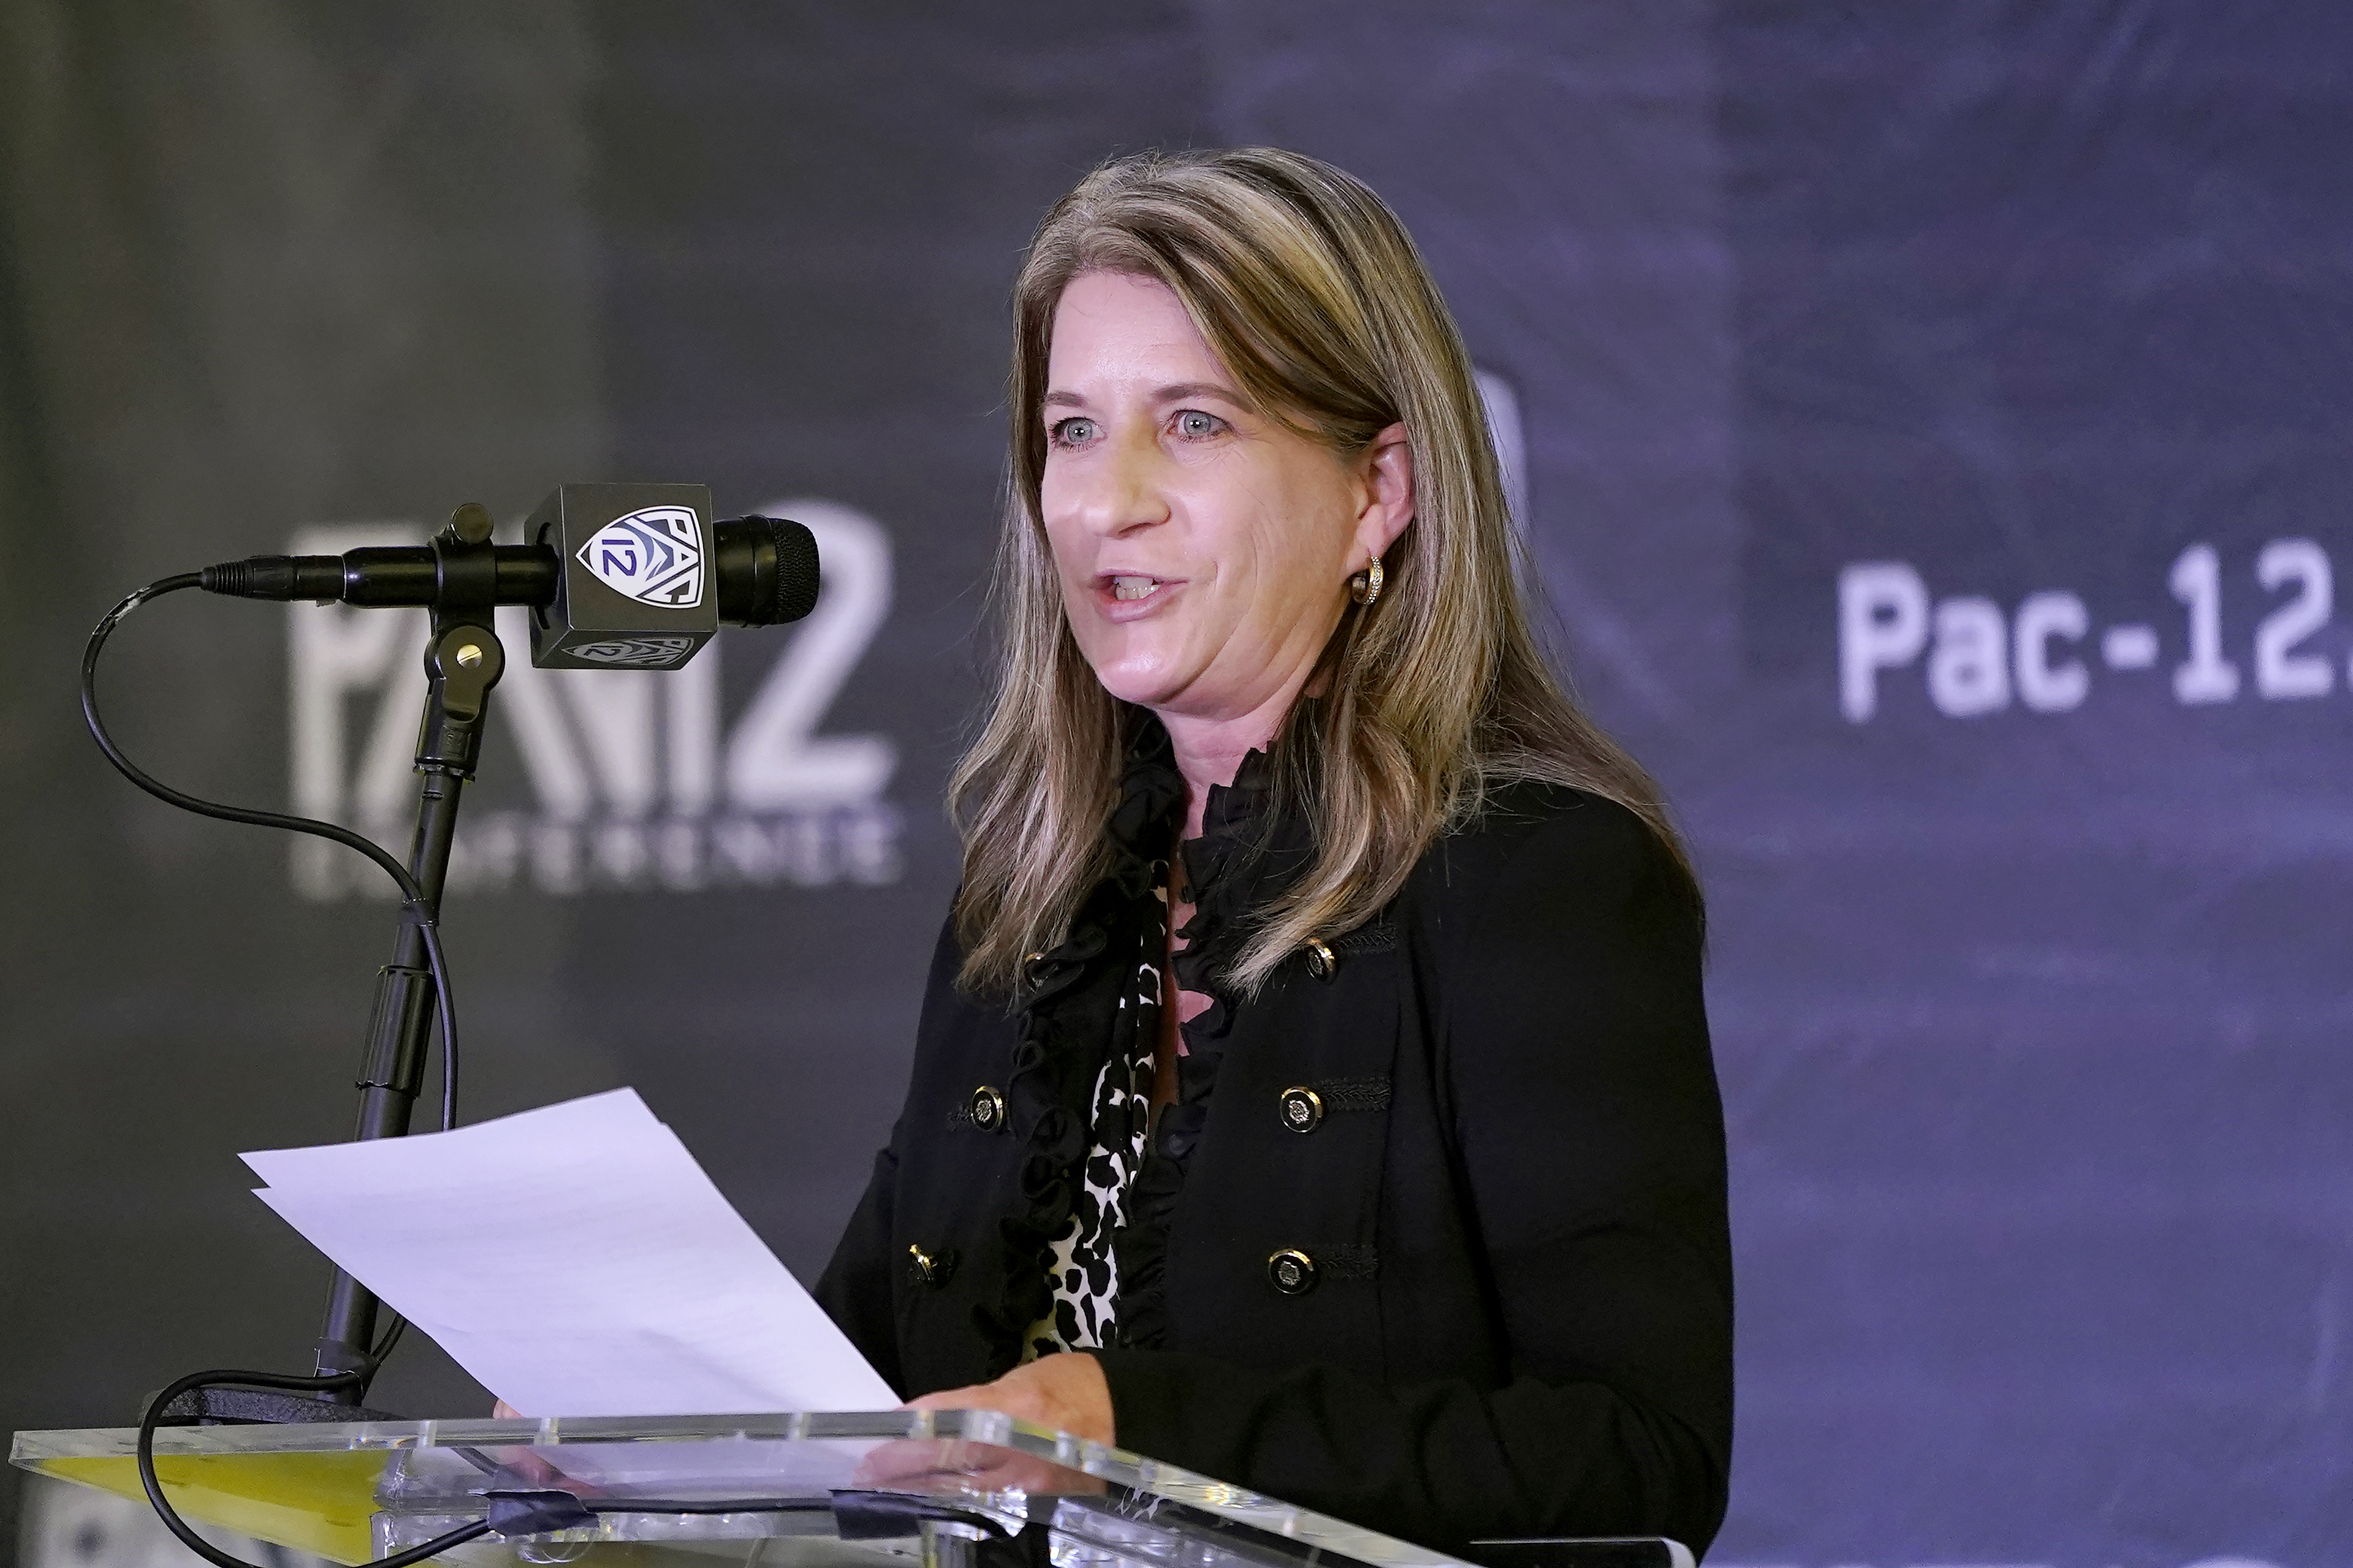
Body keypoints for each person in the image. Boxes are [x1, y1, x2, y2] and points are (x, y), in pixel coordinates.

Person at [814, 146, 1731, 1561]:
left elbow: (1635, 1455)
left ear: (1378, 491)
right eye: (1070, 429)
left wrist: (1141, 1431)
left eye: (1193, 423)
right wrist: (649, 1432)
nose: (1107, 500)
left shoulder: (1538, 878)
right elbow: (883, 1392)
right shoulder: (1029, 902)